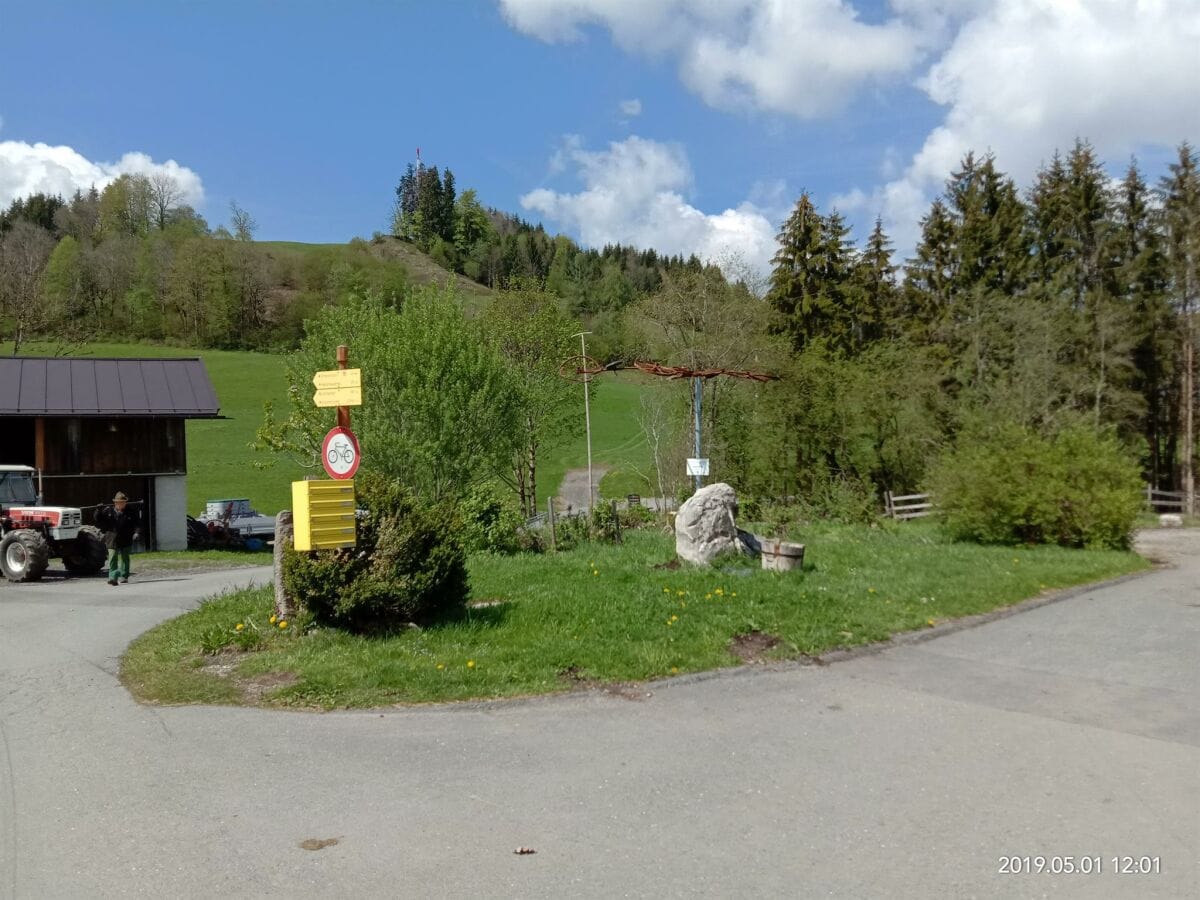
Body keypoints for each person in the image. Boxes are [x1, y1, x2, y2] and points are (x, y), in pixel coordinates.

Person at [95, 492, 141, 586]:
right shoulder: (108, 511)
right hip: (112, 539)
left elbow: (137, 523)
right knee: (112, 558)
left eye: (123, 502)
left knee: (125, 558)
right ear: (115, 503)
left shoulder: (131, 511)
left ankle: (124, 576)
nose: (121, 504)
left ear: (125, 503)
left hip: (126, 538)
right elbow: (98, 519)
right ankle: (113, 578)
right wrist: (98, 510)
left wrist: (137, 532)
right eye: (118, 502)